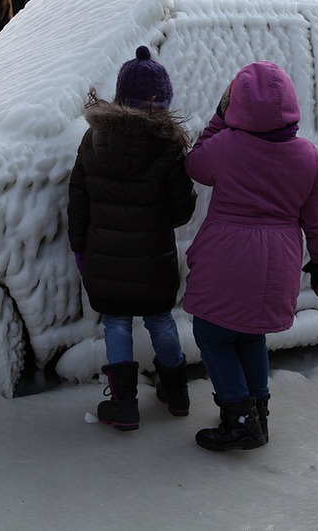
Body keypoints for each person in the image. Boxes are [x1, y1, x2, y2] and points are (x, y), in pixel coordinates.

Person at [183, 61, 318, 452]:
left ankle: (239, 416)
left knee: (212, 334)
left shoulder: (227, 145)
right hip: (278, 261)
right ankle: (257, 412)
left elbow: (194, 164)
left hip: (228, 258)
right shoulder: (309, 157)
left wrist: (219, 119)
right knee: (251, 336)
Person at [67, 46, 198, 432]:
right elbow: (181, 213)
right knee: (160, 321)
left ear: (122, 96)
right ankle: (176, 394)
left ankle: (123, 403)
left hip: (104, 258)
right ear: (162, 101)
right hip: (154, 260)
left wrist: (80, 248)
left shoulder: (94, 139)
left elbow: (78, 200)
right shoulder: (169, 145)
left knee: (116, 322)